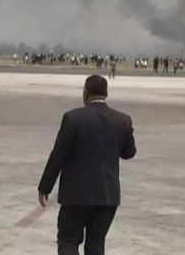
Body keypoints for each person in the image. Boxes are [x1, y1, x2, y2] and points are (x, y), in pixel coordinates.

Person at [38, 75, 136, 255]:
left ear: (86, 93)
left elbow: (59, 154)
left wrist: (45, 186)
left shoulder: (73, 118)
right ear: (106, 94)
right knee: (96, 246)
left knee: (68, 241)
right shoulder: (122, 120)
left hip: (76, 195)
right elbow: (129, 153)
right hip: (107, 196)